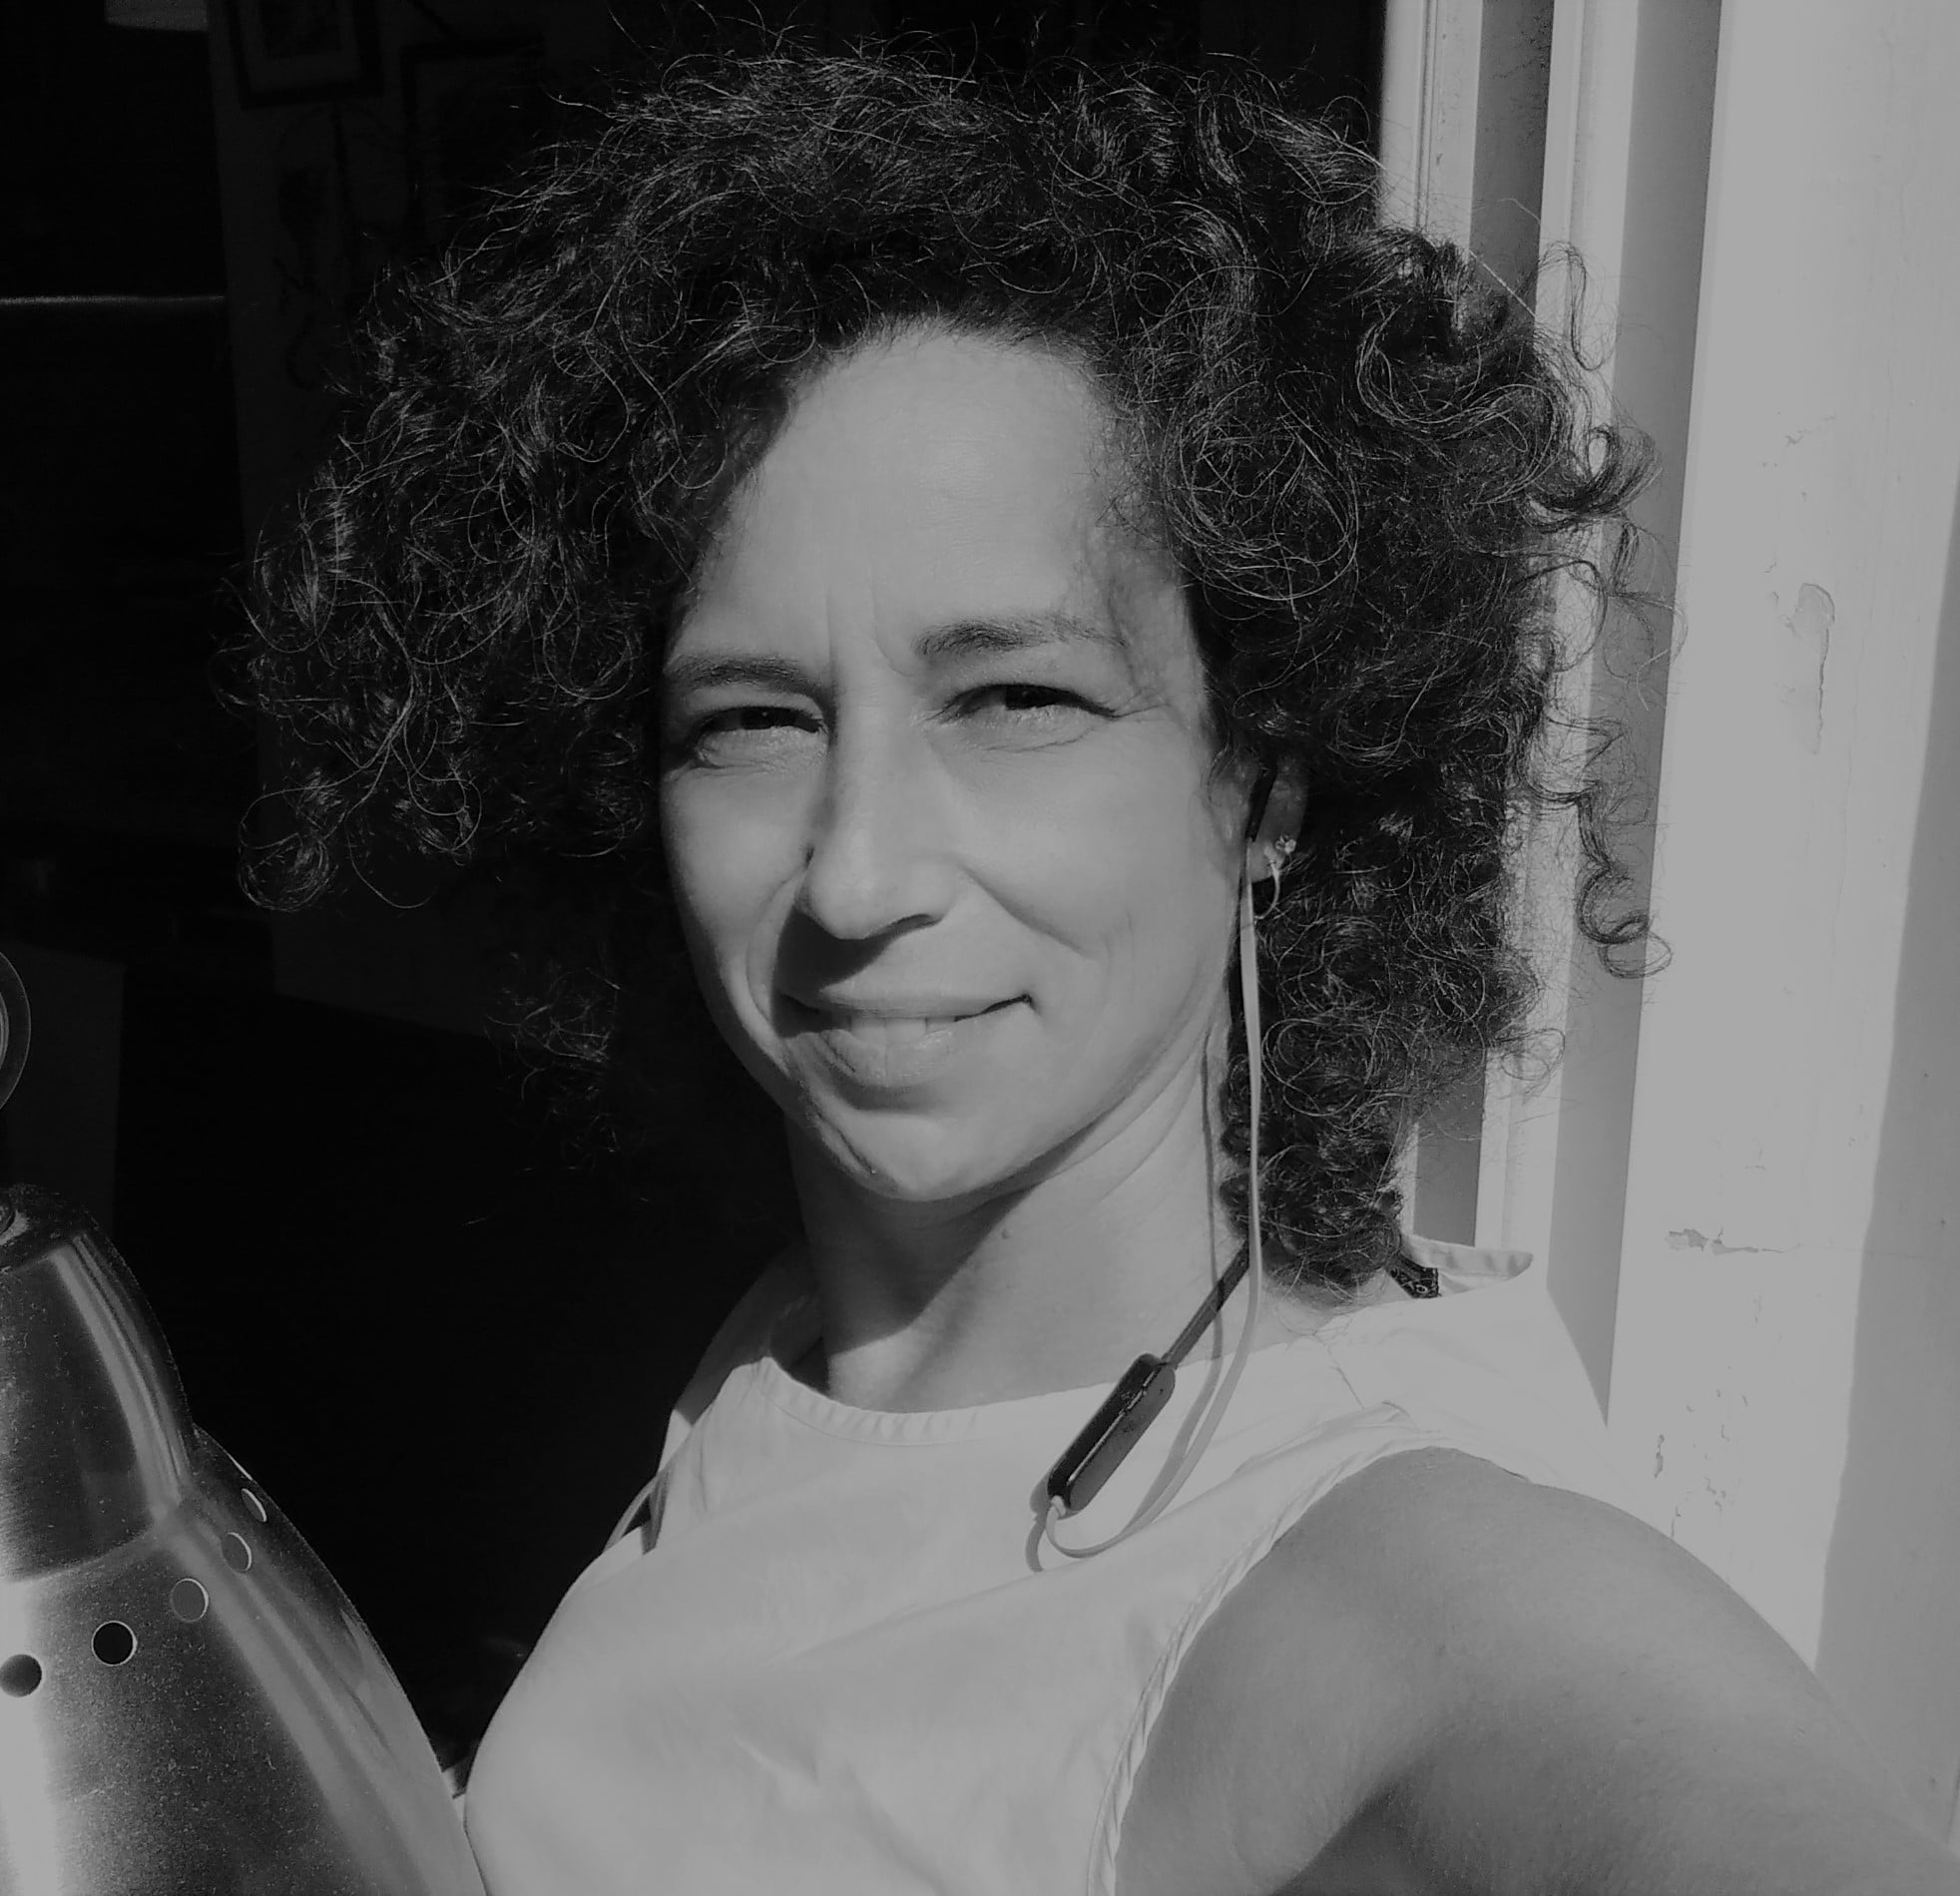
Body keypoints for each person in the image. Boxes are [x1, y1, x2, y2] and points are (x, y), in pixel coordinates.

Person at [243, 43, 1960, 1896]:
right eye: (751, 718)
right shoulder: (806, 1340)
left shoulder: (1400, 1575)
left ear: (1267, 774)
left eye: (1015, 699)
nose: (858, 871)